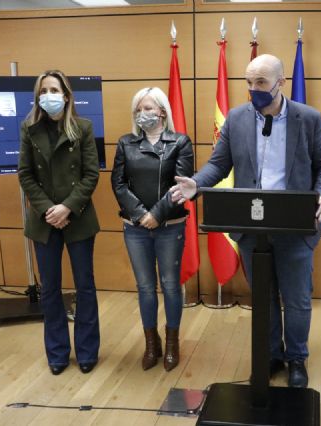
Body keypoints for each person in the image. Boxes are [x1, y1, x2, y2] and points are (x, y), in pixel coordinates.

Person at [171, 54, 321, 388]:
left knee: (297, 299)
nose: (253, 89)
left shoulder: (308, 118)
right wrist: (196, 184)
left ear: (281, 82)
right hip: (251, 226)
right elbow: (218, 164)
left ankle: (297, 359)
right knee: (263, 297)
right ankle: (271, 355)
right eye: (248, 82)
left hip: (294, 225)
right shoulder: (236, 118)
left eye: (261, 82)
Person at [18, 70, 100, 376]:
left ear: (66, 96)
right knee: (50, 289)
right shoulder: (29, 128)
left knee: (85, 287)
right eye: (43, 91)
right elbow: (26, 175)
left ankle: (87, 351)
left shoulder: (83, 127)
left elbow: (91, 175)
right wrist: (49, 210)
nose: (48, 96)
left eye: (54, 90)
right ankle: (57, 353)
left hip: (77, 217)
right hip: (44, 221)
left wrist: (66, 208)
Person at [111, 87, 193, 371]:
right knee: (145, 287)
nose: (142, 114)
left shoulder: (180, 142)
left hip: (169, 226)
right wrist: (140, 214)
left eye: (147, 108)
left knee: (170, 285)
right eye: (138, 110)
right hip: (135, 227)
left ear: (162, 111)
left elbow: (182, 185)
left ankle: (171, 344)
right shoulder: (126, 143)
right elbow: (118, 183)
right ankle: (151, 344)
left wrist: (157, 214)